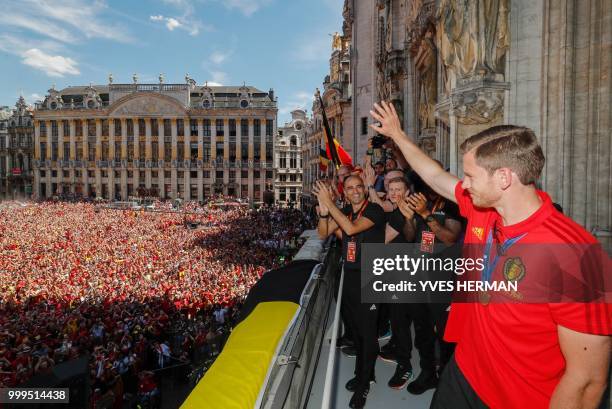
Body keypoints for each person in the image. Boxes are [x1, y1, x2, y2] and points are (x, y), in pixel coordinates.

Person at [370, 101, 611, 409]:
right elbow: (435, 177)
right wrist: (397, 135)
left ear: (504, 178)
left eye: (469, 176)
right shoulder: (484, 210)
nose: (462, 185)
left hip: (519, 399)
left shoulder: (577, 257)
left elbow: (587, 381)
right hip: (464, 373)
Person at [314, 175, 386, 409]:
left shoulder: (374, 210)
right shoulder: (345, 210)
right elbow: (323, 233)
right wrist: (325, 212)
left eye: (358, 187)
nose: (354, 191)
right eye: (350, 188)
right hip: (352, 275)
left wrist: (330, 204)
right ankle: (361, 373)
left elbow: (351, 228)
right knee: (355, 329)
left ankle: (365, 382)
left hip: (372, 276)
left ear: (364, 190)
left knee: (367, 331)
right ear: (344, 192)